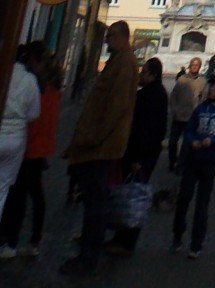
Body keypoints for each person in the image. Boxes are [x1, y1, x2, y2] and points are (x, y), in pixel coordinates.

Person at [60, 20, 138, 276]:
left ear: (123, 37)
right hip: (98, 145)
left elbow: (115, 108)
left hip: (101, 147)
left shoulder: (125, 63)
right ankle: (87, 252)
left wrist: (93, 139)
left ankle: (88, 258)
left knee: (95, 205)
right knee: (93, 203)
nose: (106, 40)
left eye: (110, 36)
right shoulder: (119, 61)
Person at [106, 57, 168, 256]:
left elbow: (147, 130)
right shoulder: (156, 94)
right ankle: (120, 238)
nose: (141, 75)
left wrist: (137, 159)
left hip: (140, 156)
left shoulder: (150, 96)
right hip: (143, 154)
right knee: (130, 195)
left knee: (133, 198)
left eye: (144, 73)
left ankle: (126, 242)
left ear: (153, 75)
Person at [0, 52, 59, 260]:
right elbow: (37, 116)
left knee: (17, 195)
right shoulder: (46, 88)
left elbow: (35, 119)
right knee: (29, 193)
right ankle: (32, 240)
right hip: (32, 146)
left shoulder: (38, 86)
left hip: (29, 147)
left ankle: (12, 240)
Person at [171, 72, 215, 260]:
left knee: (202, 204)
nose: (211, 90)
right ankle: (177, 235)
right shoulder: (200, 109)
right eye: (210, 86)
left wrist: (213, 141)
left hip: (210, 161)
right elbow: (189, 131)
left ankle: (196, 243)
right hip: (193, 159)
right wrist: (192, 142)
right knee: (184, 199)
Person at [0, 42, 44, 229]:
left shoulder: (4, 74)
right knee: (2, 187)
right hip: (16, 137)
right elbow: (34, 113)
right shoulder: (30, 80)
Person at [168, 56, 206, 172]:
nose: (194, 67)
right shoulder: (182, 80)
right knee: (172, 142)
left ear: (199, 67)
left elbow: (203, 98)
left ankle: (181, 165)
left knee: (186, 144)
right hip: (178, 115)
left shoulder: (202, 81)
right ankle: (171, 162)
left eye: (197, 65)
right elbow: (173, 95)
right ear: (189, 66)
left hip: (191, 117)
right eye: (193, 65)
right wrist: (174, 109)